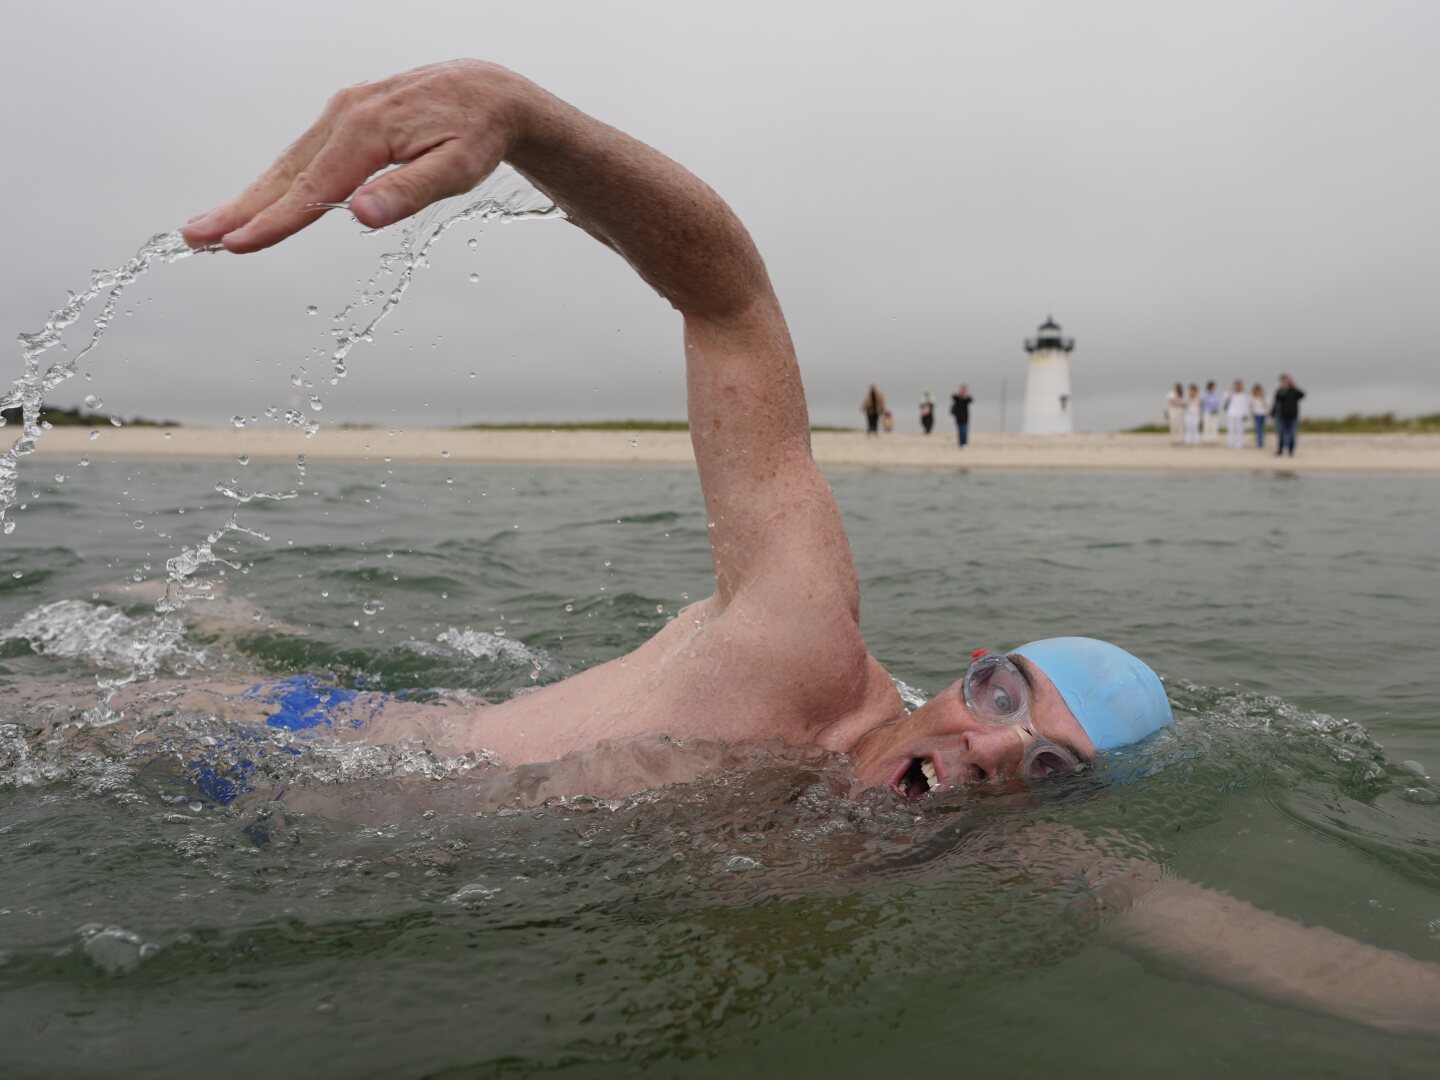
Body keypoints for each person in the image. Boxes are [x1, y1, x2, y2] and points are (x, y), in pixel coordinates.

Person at [180, 60, 1440, 1035]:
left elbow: (1271, 951)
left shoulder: (995, 855)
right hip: (259, 750)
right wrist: (528, 117)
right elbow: (728, 301)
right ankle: (212, 629)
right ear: (969, 668)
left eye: (1052, 767)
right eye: (1005, 698)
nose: (1000, 749)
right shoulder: (797, 649)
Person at [1271, 374, 1305, 456]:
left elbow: (1302, 395)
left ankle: (1291, 451)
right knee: (1281, 434)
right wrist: (1273, 413)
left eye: (1288, 381)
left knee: (1292, 434)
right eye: (1284, 381)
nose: (1286, 383)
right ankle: (1280, 450)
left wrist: (1294, 386)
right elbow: (1276, 401)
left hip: (1293, 416)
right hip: (1281, 416)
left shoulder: (1294, 391)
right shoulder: (1280, 391)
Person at [1223, 378, 1250, 449]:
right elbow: (1225, 397)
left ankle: (1240, 444)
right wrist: (1232, 390)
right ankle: (1231, 443)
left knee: (1240, 430)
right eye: (1237, 385)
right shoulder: (1230, 394)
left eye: (1240, 385)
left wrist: (1246, 414)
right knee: (1231, 430)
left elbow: (1246, 405)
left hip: (1240, 415)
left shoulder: (1244, 395)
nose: (1238, 387)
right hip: (1231, 414)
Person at [949, 384, 973, 448]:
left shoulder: (966, 398)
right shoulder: (957, 397)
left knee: (964, 430)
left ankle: (964, 443)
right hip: (958, 416)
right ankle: (960, 443)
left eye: (964, 389)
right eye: (962, 389)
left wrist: (966, 395)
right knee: (959, 430)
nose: (963, 391)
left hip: (965, 417)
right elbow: (953, 396)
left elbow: (971, 400)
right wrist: (959, 394)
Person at [1249, 382, 1268, 449]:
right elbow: (1251, 406)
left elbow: (1266, 405)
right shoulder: (1253, 398)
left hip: (1263, 414)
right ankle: (1260, 443)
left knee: (1262, 429)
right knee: (1258, 429)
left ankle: (1261, 442)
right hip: (1257, 414)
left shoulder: (1263, 397)